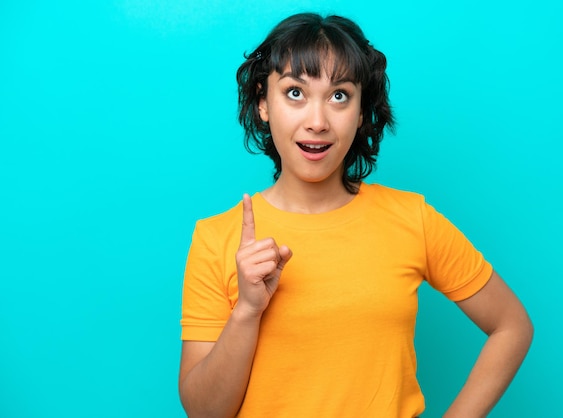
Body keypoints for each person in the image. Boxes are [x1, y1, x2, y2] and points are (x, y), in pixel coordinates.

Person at [178, 12, 533, 418]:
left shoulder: (411, 218)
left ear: (362, 111)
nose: (317, 122)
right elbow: (203, 412)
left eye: (339, 96)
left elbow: (512, 326)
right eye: (295, 93)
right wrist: (247, 311)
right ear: (263, 103)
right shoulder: (214, 238)